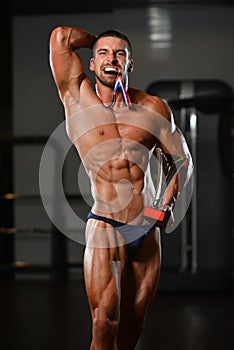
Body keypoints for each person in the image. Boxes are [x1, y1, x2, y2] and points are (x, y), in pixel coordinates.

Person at [49, 25, 193, 350]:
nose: (111, 59)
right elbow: (61, 36)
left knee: (132, 328)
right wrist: (97, 40)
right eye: (103, 53)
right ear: (91, 62)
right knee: (103, 324)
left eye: (119, 54)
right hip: (106, 225)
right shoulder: (76, 96)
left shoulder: (153, 108)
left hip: (146, 229)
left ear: (130, 64)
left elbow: (180, 160)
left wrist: (166, 206)